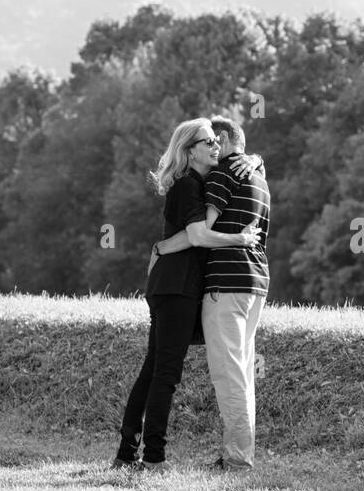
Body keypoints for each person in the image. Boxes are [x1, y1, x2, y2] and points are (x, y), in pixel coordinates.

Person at [112, 118, 260, 472]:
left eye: (216, 142)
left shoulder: (198, 182)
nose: (215, 147)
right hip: (176, 288)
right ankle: (154, 459)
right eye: (207, 143)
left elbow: (188, 234)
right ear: (189, 151)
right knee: (166, 374)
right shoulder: (187, 187)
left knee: (152, 371)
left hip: (173, 286)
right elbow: (197, 236)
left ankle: (126, 454)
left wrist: (256, 159)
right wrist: (238, 239)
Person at [154, 115, 270, 470]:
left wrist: (160, 249)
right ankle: (242, 454)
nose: (213, 148)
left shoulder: (222, 175)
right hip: (257, 281)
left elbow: (199, 232)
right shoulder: (260, 179)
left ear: (222, 139)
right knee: (243, 370)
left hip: (226, 283)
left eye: (213, 141)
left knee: (229, 373)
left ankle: (237, 460)